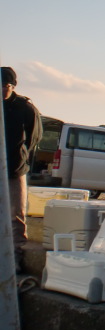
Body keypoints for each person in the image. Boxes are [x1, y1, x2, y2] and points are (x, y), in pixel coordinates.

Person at [2, 66, 42, 273]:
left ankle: (14, 259)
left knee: (16, 214)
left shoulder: (25, 108)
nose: (2, 89)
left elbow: (34, 137)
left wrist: (21, 155)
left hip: (15, 168)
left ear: (12, 86)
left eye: (5, 86)